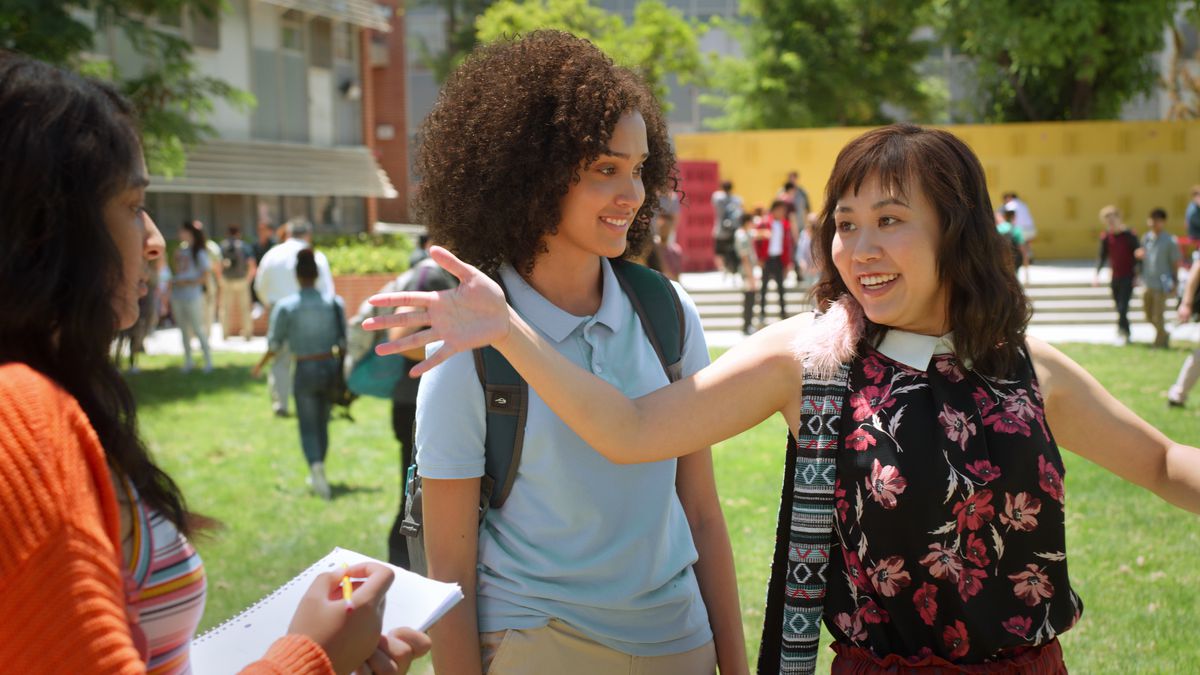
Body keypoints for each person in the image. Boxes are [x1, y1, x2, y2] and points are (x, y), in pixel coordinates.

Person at [368, 123, 1200, 673]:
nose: (859, 248)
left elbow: (1162, 460)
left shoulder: (1027, 370)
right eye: (844, 223)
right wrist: (508, 330)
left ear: (956, 229)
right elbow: (628, 430)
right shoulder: (808, 362)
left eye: (889, 220)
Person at [0, 52, 428, 675]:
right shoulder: (20, 419)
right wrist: (312, 656)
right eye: (130, 203)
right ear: (43, 226)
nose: (154, 240)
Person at [374, 30, 745, 675]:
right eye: (606, 169)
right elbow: (450, 571)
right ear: (534, 177)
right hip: (536, 645)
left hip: (680, 642)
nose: (633, 193)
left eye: (639, 168)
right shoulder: (471, 346)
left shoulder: (668, 316)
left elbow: (703, 516)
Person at [252, 249, 346, 500]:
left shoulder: (286, 306)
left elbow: (274, 345)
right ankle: (319, 467)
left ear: (297, 276)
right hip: (328, 368)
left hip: (303, 369)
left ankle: (315, 467)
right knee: (323, 422)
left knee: (307, 424)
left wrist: (260, 365)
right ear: (317, 275)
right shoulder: (334, 304)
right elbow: (344, 341)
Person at [384, 255, 459, 567]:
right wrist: (464, 341)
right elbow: (399, 340)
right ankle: (404, 569)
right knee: (415, 502)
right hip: (416, 404)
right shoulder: (431, 274)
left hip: (427, 403)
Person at [254, 219, 336, 416]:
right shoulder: (315, 255)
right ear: (308, 234)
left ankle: (280, 404)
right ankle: (316, 400)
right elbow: (327, 291)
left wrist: (271, 305)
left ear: (288, 233)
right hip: (310, 313)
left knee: (280, 358)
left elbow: (259, 286)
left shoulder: (272, 254)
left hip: (278, 309)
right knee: (312, 358)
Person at [170, 221, 214, 373]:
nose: (179, 233)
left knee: (198, 328)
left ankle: (208, 360)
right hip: (178, 295)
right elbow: (179, 271)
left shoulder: (199, 252)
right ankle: (188, 360)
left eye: (182, 230)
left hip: (193, 295)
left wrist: (188, 282)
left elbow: (205, 275)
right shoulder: (181, 250)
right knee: (183, 330)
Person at [1093, 205, 1141, 345]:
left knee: (1123, 307)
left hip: (1128, 276)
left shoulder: (1130, 235)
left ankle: (1121, 332)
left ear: (1119, 218)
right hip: (1115, 277)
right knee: (1118, 306)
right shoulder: (1106, 237)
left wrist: (1138, 276)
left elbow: (1138, 256)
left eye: (1113, 219)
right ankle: (1126, 332)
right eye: (1108, 220)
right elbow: (1102, 256)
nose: (1111, 222)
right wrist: (1097, 274)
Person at [1136, 207, 1180, 349]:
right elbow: (1143, 258)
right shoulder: (1146, 238)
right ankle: (1164, 334)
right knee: (1148, 315)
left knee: (1158, 315)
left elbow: (1175, 263)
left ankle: (1159, 344)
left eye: (1157, 220)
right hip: (1147, 282)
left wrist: (1175, 281)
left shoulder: (1169, 240)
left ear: (1163, 222)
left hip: (1161, 284)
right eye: (1152, 219)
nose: (1154, 222)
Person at [755, 199, 795, 324]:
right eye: (780, 209)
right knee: (764, 287)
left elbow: (788, 245)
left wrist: (788, 263)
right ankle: (761, 313)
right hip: (767, 259)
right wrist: (759, 258)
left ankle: (783, 313)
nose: (782, 212)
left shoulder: (785, 224)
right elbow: (756, 242)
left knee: (781, 288)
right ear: (774, 210)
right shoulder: (765, 223)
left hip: (779, 259)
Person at [220, 223, 256, 340]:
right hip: (241, 280)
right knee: (245, 309)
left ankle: (225, 334)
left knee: (225, 309)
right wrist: (248, 280)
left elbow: (218, 265)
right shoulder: (244, 246)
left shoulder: (222, 246)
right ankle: (248, 334)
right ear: (238, 234)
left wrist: (220, 279)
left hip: (227, 280)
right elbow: (252, 265)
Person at [712, 179, 743, 279]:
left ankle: (722, 270)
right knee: (733, 250)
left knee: (719, 252)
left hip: (720, 230)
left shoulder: (718, 198)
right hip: (733, 230)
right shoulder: (737, 199)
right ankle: (733, 269)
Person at [734, 213, 759, 334]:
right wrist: (751, 277)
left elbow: (758, 234)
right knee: (749, 299)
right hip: (746, 271)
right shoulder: (742, 236)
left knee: (750, 298)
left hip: (748, 271)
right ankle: (747, 325)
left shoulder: (744, 233)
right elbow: (745, 258)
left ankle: (748, 324)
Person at [1001, 191, 1036, 265]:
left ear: (1010, 198)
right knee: (1027, 249)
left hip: (1020, 229)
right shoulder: (1023, 204)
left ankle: (1022, 262)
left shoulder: (1010, 205)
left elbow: (1007, 214)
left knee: (1019, 248)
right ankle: (1027, 262)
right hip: (1030, 228)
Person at [996, 207, 1029, 283]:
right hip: (1015, 258)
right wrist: (1025, 261)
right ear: (1014, 216)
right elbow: (1022, 247)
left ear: (1003, 216)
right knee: (1014, 279)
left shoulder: (997, 229)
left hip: (1000, 257)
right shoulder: (1016, 229)